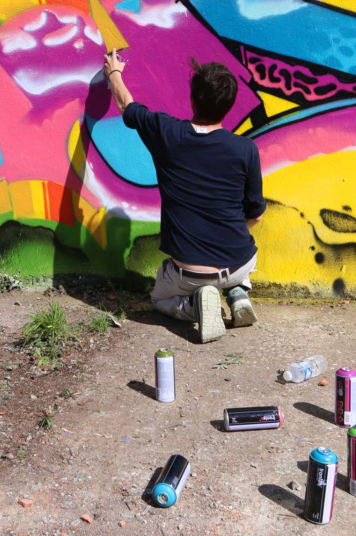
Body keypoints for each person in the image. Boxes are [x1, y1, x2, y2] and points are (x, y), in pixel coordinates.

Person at [103, 49, 266, 342]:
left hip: (190, 273)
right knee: (239, 258)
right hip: (239, 263)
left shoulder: (166, 132)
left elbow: (126, 104)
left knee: (160, 300)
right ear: (229, 106)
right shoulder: (246, 149)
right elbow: (256, 215)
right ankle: (238, 293)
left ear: (193, 100)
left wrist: (114, 72)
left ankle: (194, 306)